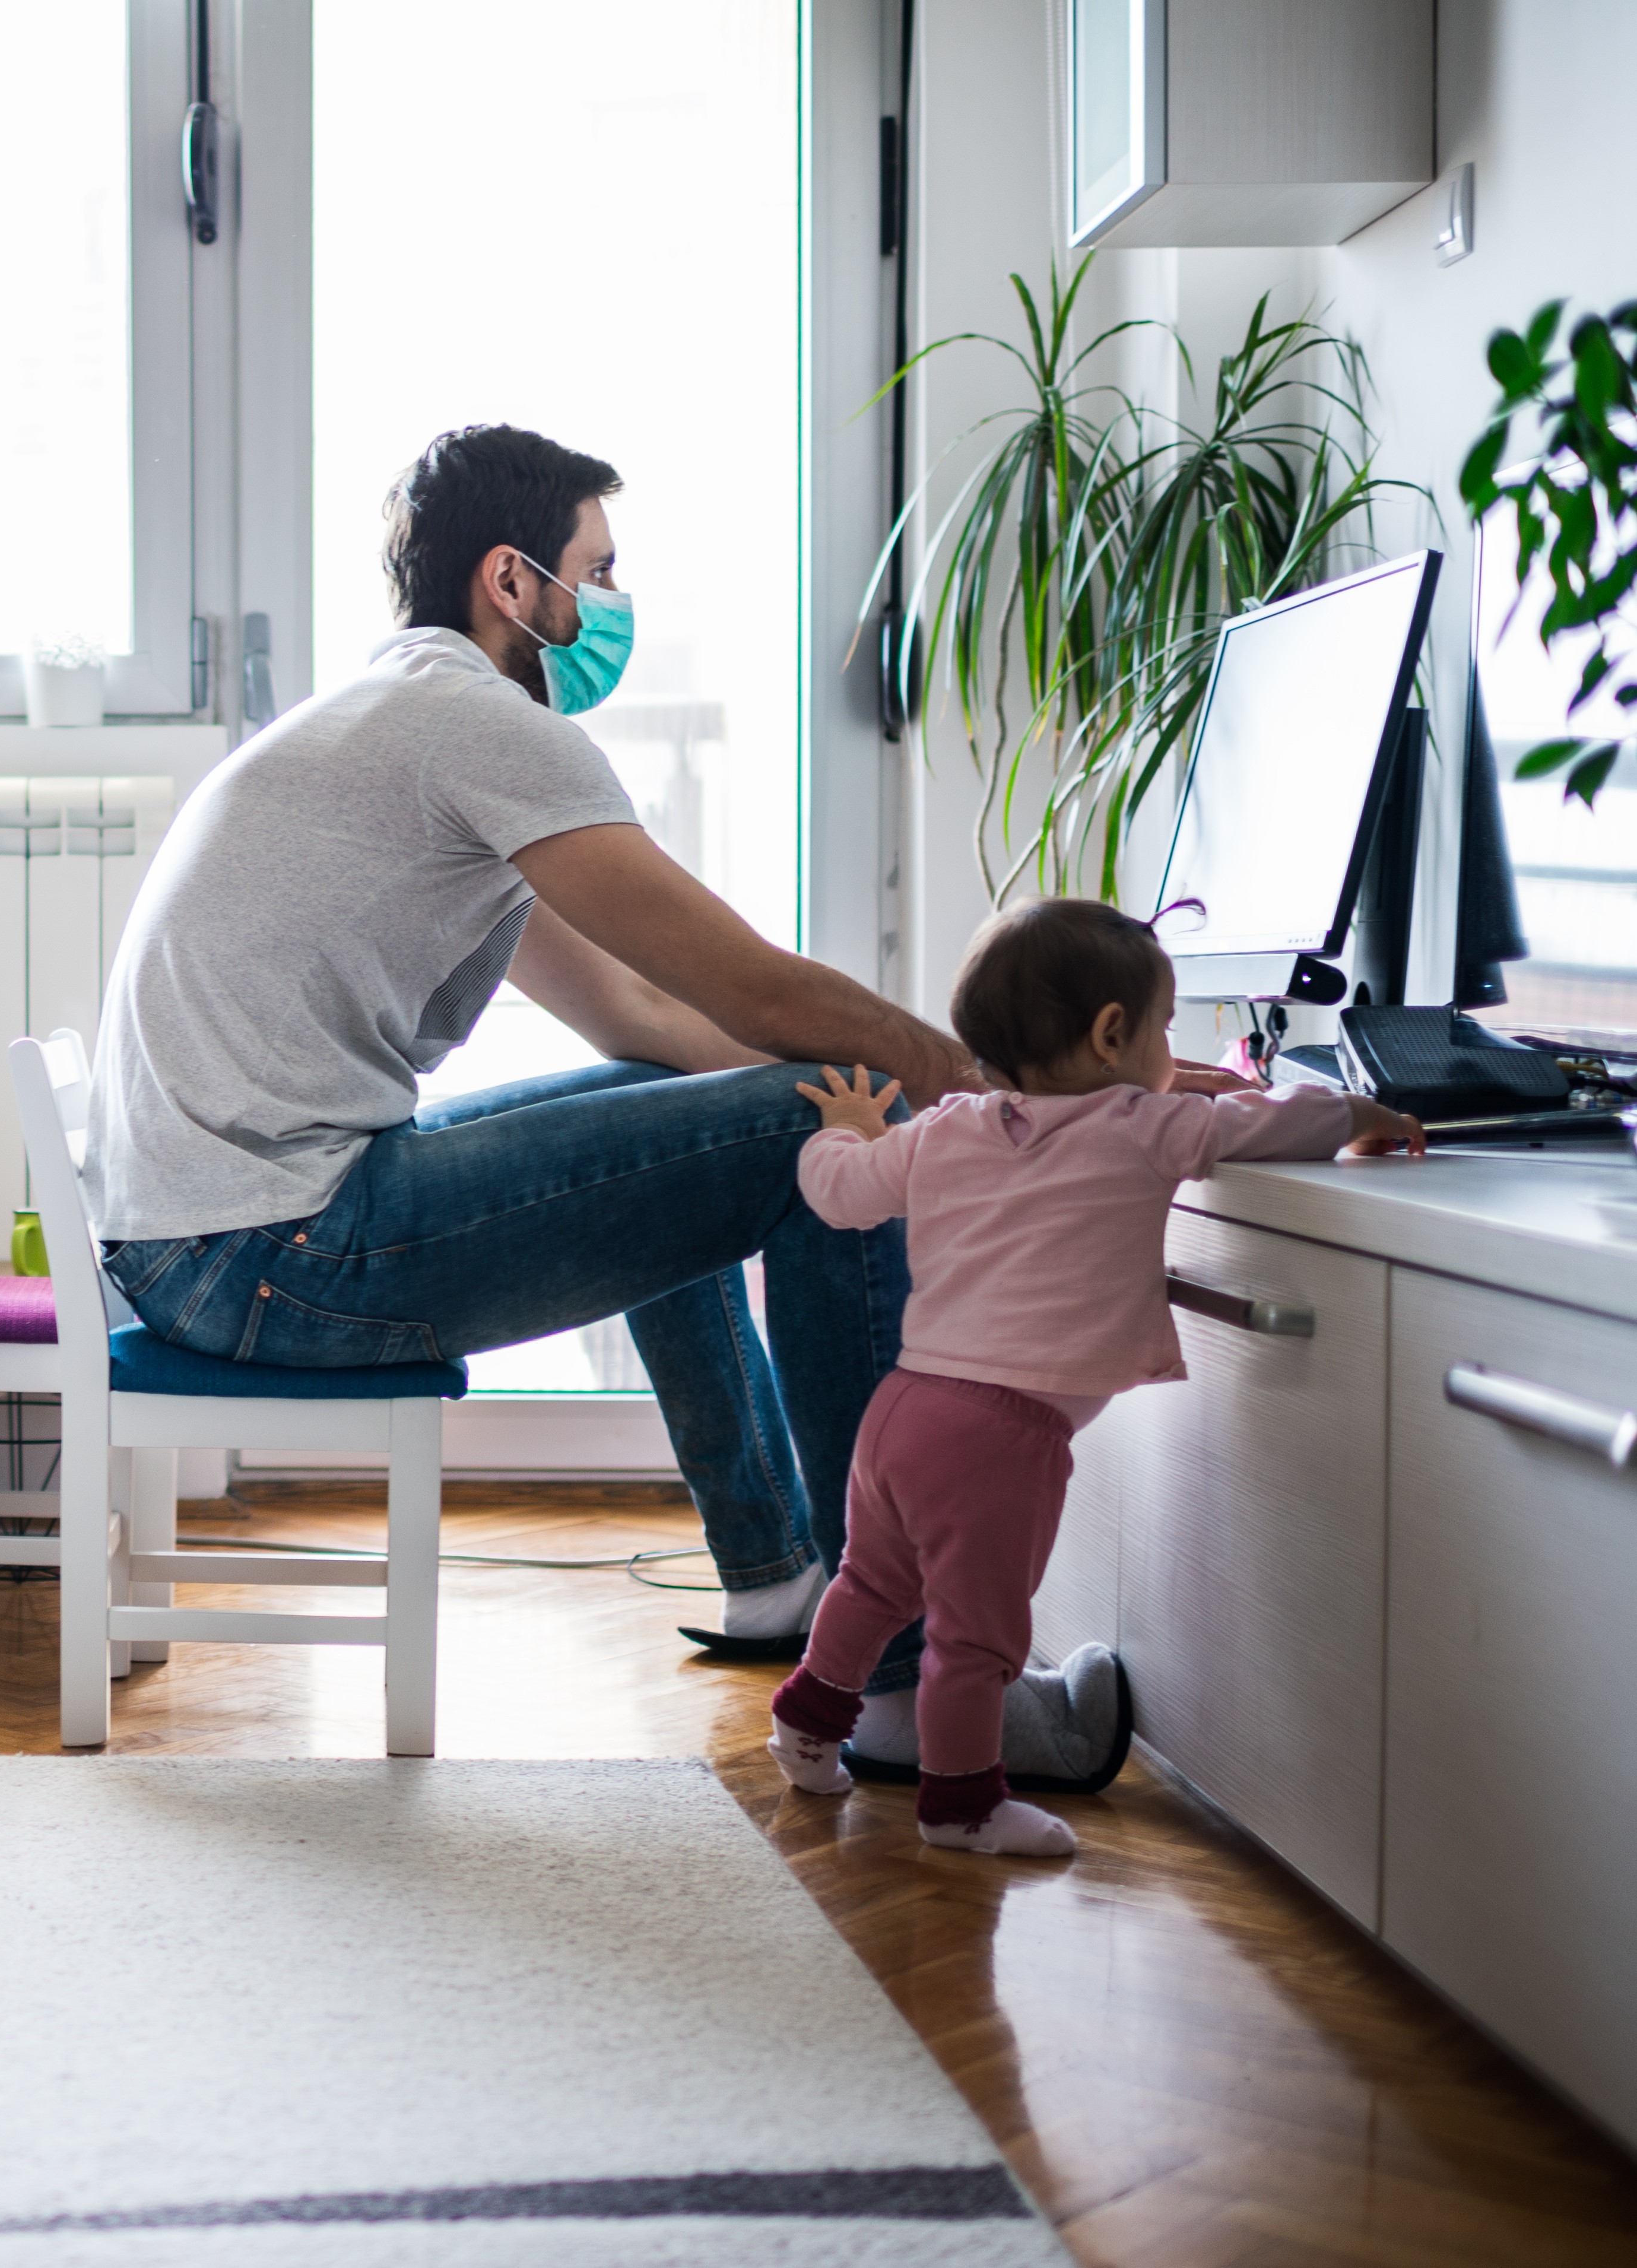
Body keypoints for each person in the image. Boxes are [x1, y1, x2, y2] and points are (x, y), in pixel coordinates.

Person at [88, 422, 1223, 1774]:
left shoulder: (402, 721)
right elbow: (756, 991)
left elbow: (642, 1018)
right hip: (274, 1256)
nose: (612, 605)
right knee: (818, 1110)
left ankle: (776, 1576)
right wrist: (1012, 1088)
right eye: (598, 570)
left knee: (672, 1106)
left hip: (213, 1243)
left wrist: (904, 1082)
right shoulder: (480, 729)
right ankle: (912, 1687)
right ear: (513, 584)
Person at [767, 900, 1424, 1853]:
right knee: (977, 1639)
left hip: (903, 1409)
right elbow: (1259, 1123)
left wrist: (846, 1131)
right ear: (1113, 1032)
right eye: (1164, 1024)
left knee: (873, 1581)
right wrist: (1365, 1109)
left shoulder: (946, 1130)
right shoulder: (1144, 1128)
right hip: (1001, 1436)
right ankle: (962, 1807)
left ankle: (805, 1725)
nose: (1169, 1044)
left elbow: (835, 1196)